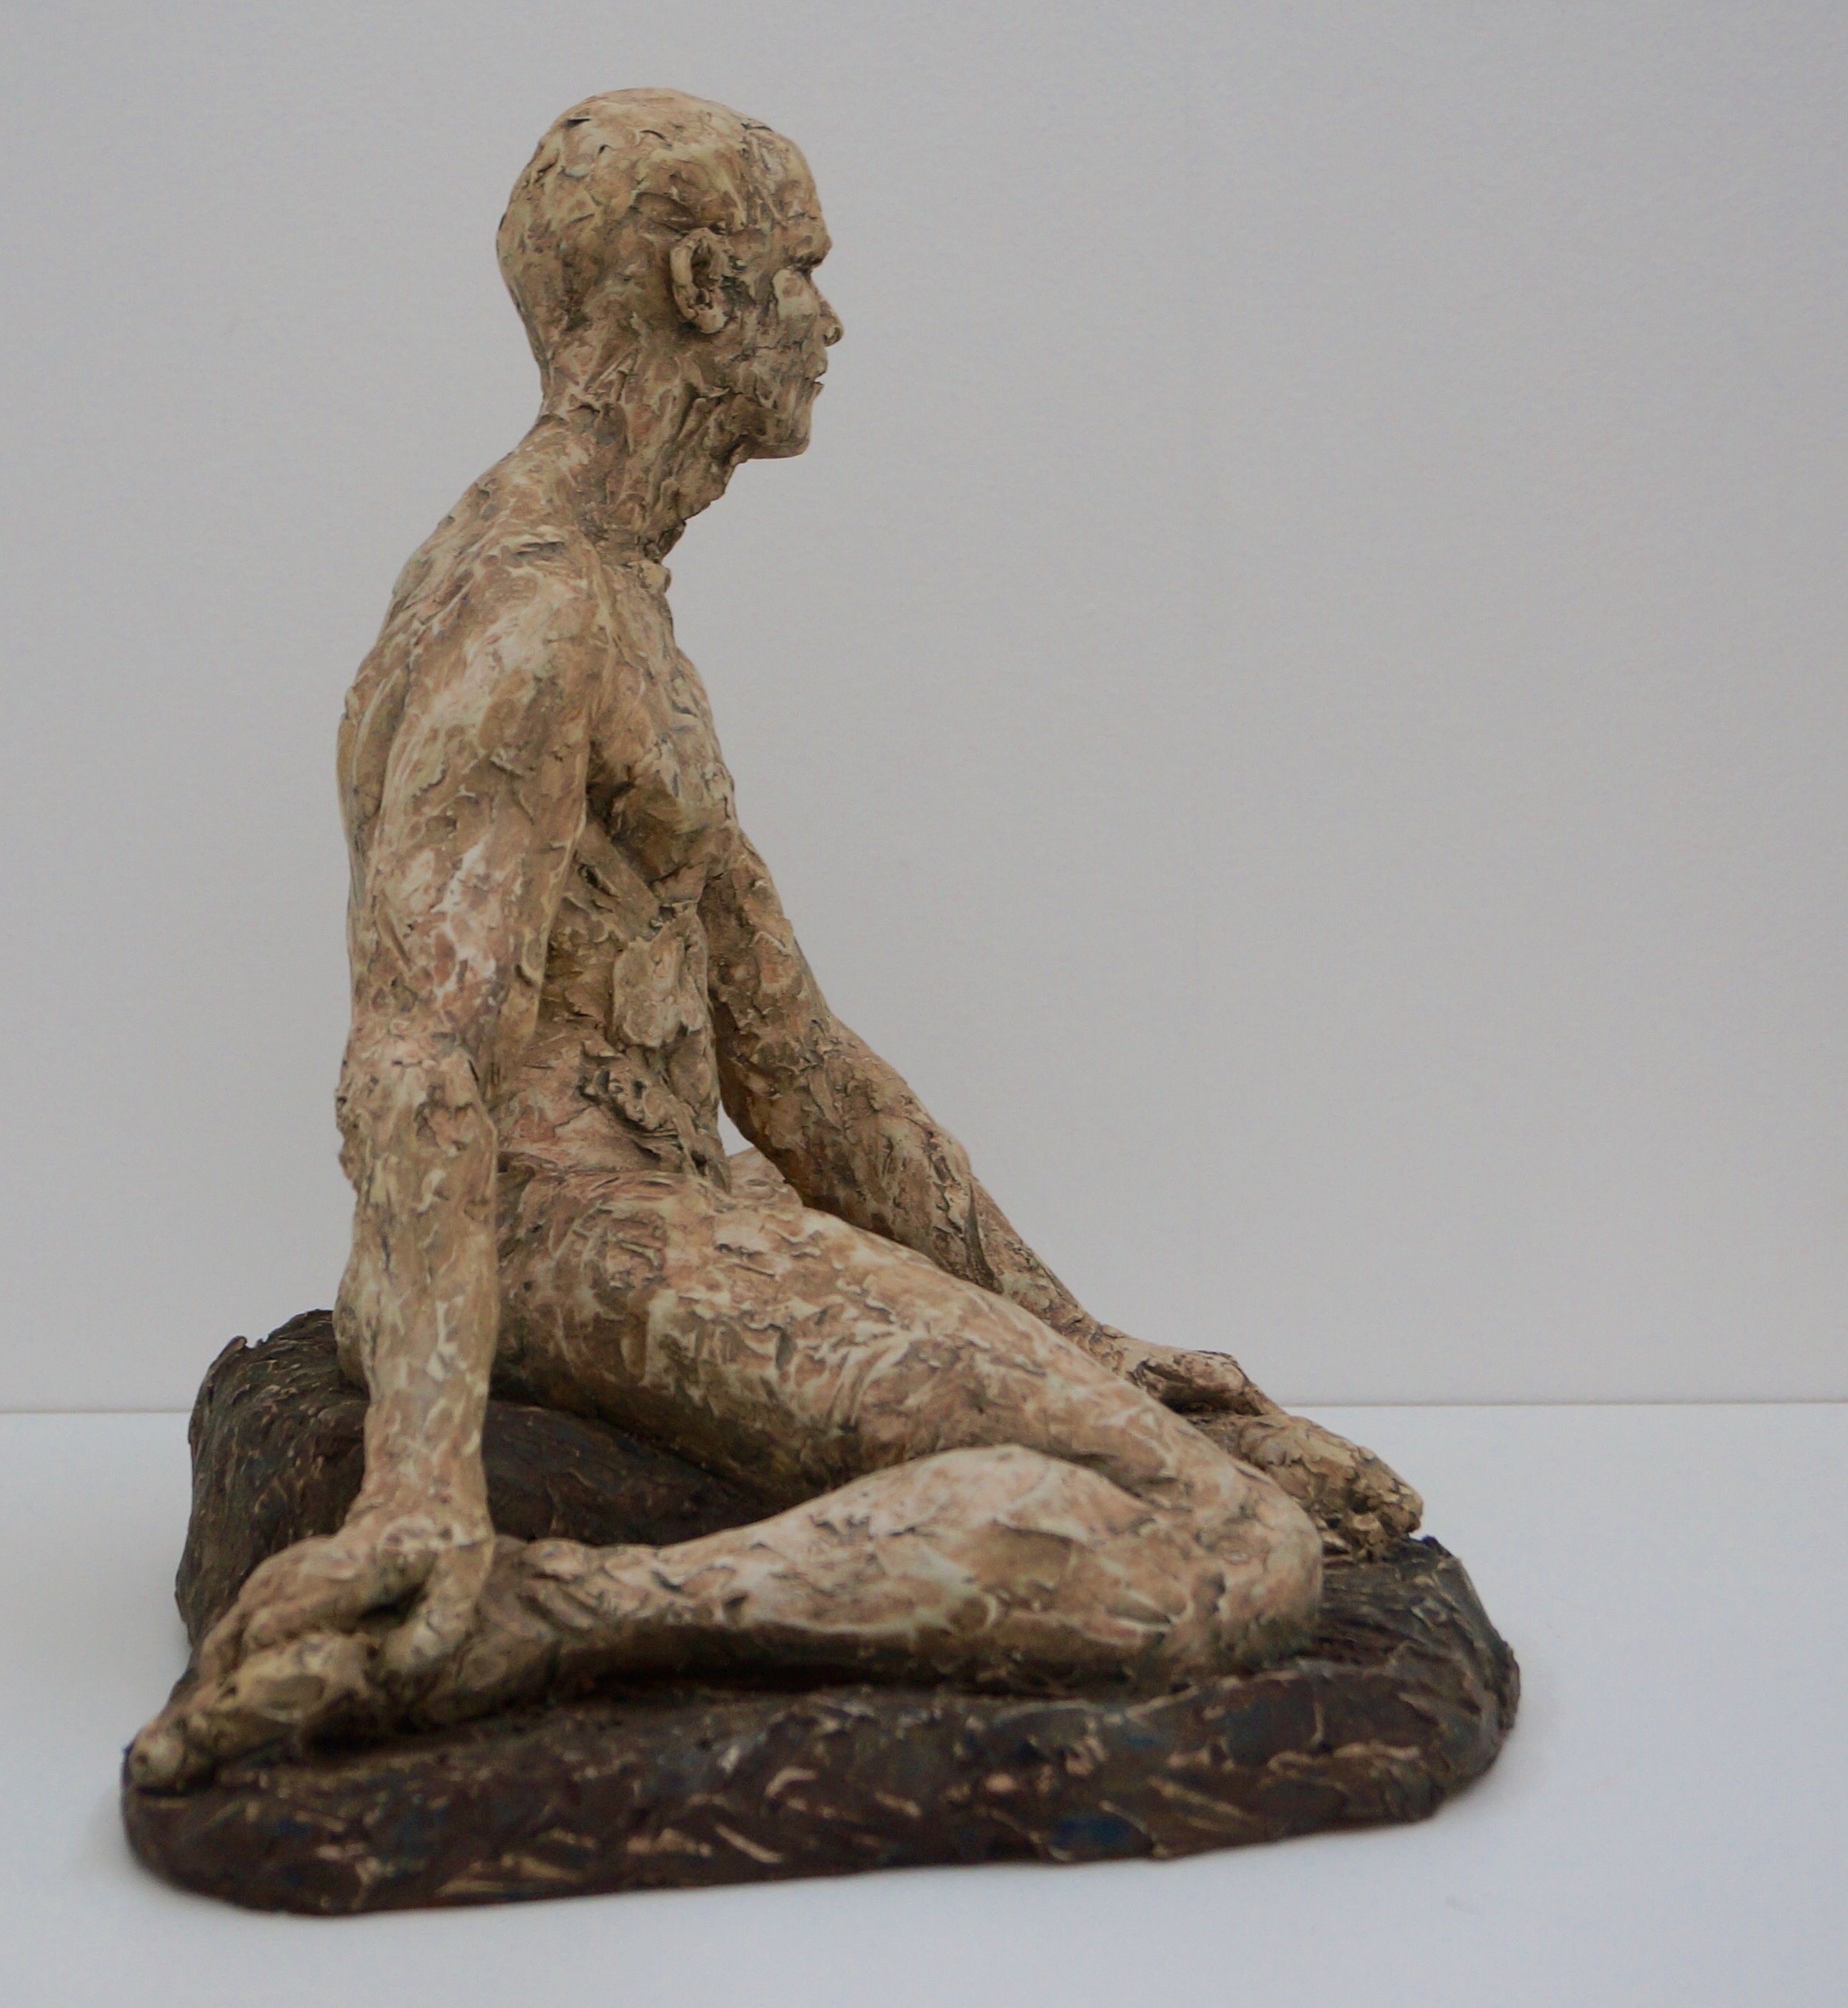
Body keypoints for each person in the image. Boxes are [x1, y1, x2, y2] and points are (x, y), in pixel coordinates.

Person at [131, 89, 1418, 1790]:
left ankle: (576, 1605)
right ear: (699, 284)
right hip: (561, 1238)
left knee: (1204, 1492)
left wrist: (1086, 1340)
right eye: (802, 269)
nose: (830, 320)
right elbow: (416, 1051)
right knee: (1226, 1546)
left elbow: (794, 1058)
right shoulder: (532, 608)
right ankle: (559, 1618)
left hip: (675, 1206)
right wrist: (421, 1485)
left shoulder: (611, 593)